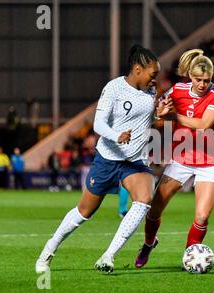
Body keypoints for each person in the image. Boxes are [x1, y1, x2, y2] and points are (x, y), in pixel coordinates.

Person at [35, 45, 173, 273]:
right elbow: (98, 124)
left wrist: (160, 115)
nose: (155, 79)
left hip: (135, 161)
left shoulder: (151, 91)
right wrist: (116, 135)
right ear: (138, 69)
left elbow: (149, 121)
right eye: (152, 73)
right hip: (108, 158)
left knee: (144, 199)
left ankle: (108, 256)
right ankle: (48, 251)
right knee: (84, 212)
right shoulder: (114, 88)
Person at [133, 49, 214, 268]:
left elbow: (204, 125)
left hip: (209, 161)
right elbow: (158, 117)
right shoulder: (177, 90)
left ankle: (190, 255)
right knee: (154, 209)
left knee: (202, 217)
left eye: (207, 80)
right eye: (198, 80)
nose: (203, 84)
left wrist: (172, 116)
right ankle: (148, 243)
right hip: (181, 159)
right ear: (190, 77)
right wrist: (160, 113)